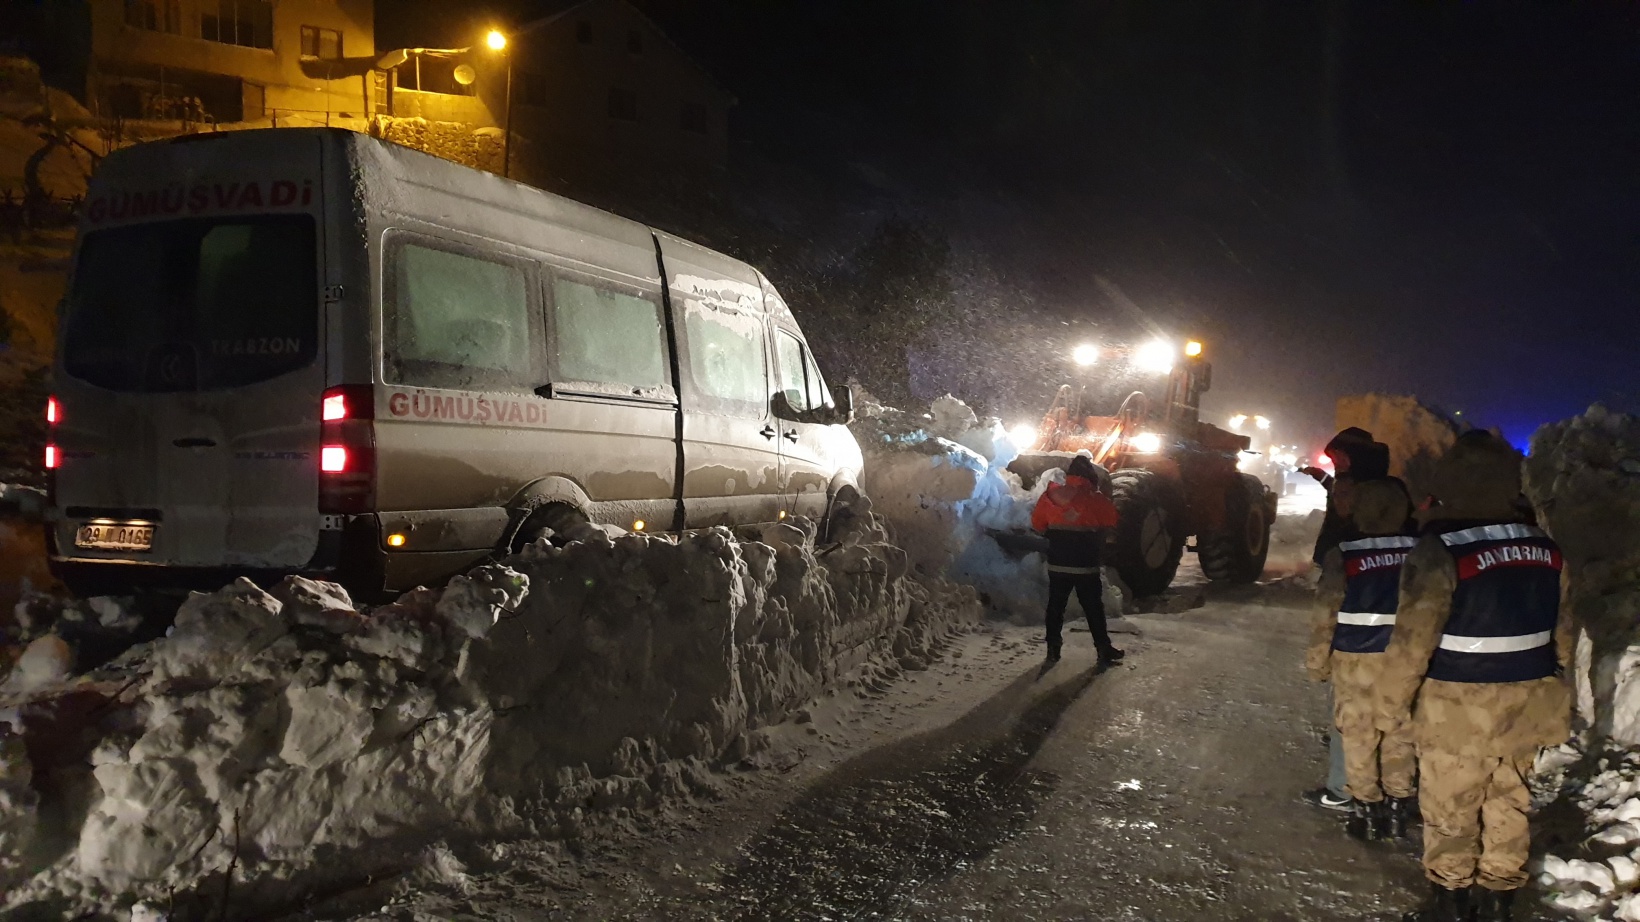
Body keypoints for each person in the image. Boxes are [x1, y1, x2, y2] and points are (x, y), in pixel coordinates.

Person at [1376, 432, 1573, 922]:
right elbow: (1564, 631)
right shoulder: (1547, 549)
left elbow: (1411, 642)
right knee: (1510, 801)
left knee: (1450, 809)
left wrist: (1390, 707)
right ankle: (1500, 896)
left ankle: (1450, 898)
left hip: (1456, 710)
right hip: (1529, 704)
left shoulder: (1439, 549)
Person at [1307, 477, 1419, 840]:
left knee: (1358, 734)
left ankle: (1366, 810)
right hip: (1405, 657)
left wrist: (1318, 661)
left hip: (1356, 657)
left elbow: (1327, 612)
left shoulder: (1345, 554)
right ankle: (1399, 805)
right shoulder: (1422, 552)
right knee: (1401, 730)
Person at [1301, 428, 1394, 814]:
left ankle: (1343, 789)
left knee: (1349, 710)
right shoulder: (1384, 501)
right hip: (1390, 640)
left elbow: (1328, 616)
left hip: (1356, 638)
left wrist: (1318, 659)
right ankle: (1388, 786)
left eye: (1339, 462)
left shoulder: (1353, 540)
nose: (1335, 472)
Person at [1031, 454, 1123, 667]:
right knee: (1093, 608)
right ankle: (1103, 648)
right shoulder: (1096, 499)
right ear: (1090, 476)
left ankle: (1053, 648)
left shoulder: (1050, 496)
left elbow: (1038, 524)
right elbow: (1112, 520)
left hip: (1058, 564)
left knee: (1055, 606)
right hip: (1085, 565)